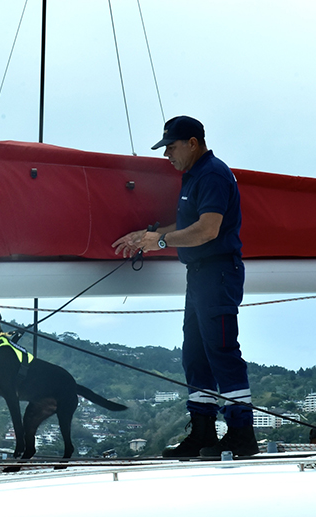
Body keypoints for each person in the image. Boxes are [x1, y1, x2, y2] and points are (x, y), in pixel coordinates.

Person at [112, 116, 258, 458]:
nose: (167, 156)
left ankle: (241, 433)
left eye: (172, 148)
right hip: (200, 274)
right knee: (195, 355)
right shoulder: (195, 176)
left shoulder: (212, 174)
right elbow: (189, 223)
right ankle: (204, 431)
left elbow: (207, 229)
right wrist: (145, 238)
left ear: (193, 143)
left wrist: (159, 241)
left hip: (218, 272)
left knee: (221, 351)